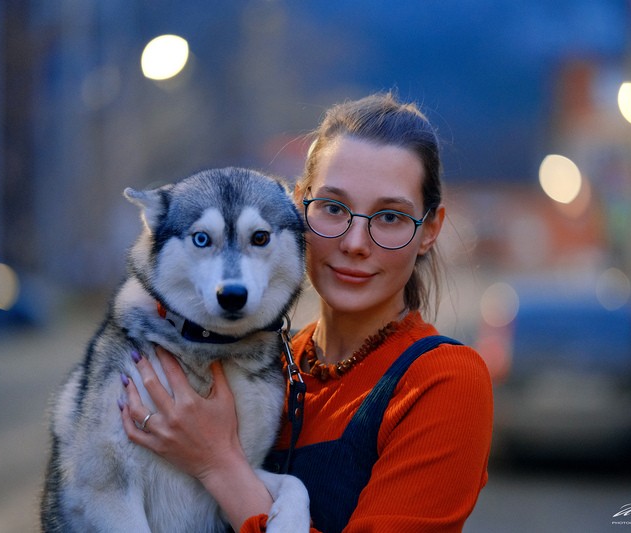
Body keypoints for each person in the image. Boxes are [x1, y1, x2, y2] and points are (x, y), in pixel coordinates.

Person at [120, 92, 493, 532]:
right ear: (297, 208)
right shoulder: (261, 358)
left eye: (390, 216)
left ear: (429, 231)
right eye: (333, 209)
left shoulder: (442, 382)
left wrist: (217, 465)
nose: (355, 243)